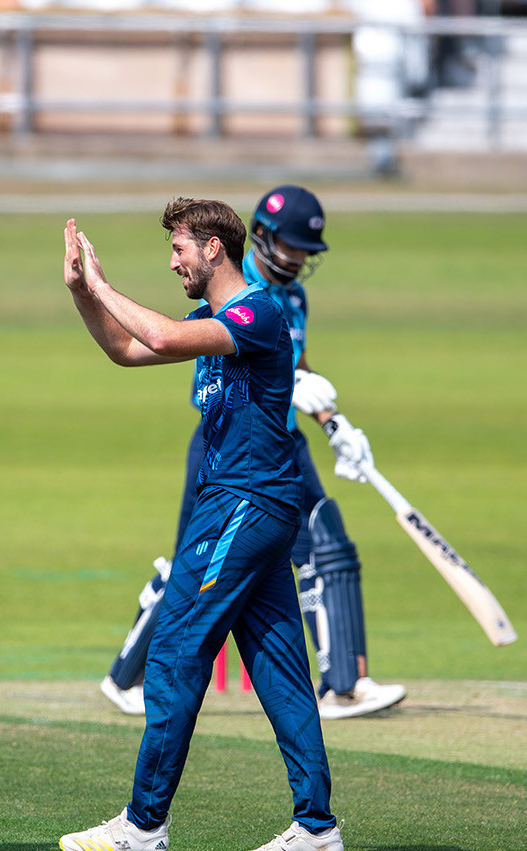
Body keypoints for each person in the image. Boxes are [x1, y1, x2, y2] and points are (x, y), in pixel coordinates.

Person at [57, 202, 345, 851]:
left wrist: (102, 284)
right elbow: (128, 349)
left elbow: (156, 338)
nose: (173, 260)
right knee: (279, 671)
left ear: (215, 249)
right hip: (256, 509)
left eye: (180, 247)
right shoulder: (214, 322)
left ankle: (144, 825)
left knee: (175, 650)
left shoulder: (258, 312)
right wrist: (81, 293)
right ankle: (317, 830)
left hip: (242, 506)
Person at [99, 185, 405, 721]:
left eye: (308, 253)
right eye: (292, 248)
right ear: (260, 238)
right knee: (194, 564)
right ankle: (128, 674)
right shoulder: (240, 292)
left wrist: (336, 422)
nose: (301, 260)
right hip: (234, 444)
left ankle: (343, 682)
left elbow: (298, 363)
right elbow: (198, 351)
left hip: (284, 441)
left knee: (326, 545)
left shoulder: (293, 298)